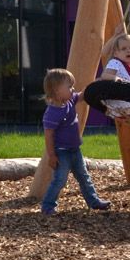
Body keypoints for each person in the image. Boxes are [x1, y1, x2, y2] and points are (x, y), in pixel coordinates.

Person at [39, 68, 111, 215]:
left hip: (75, 149)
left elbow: (83, 95)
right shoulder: (52, 113)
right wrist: (52, 155)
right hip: (61, 152)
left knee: (84, 177)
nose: (73, 89)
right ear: (56, 90)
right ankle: (47, 206)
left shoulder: (70, 100)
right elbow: (48, 135)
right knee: (60, 180)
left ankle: (94, 201)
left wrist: (97, 83)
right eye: (69, 86)